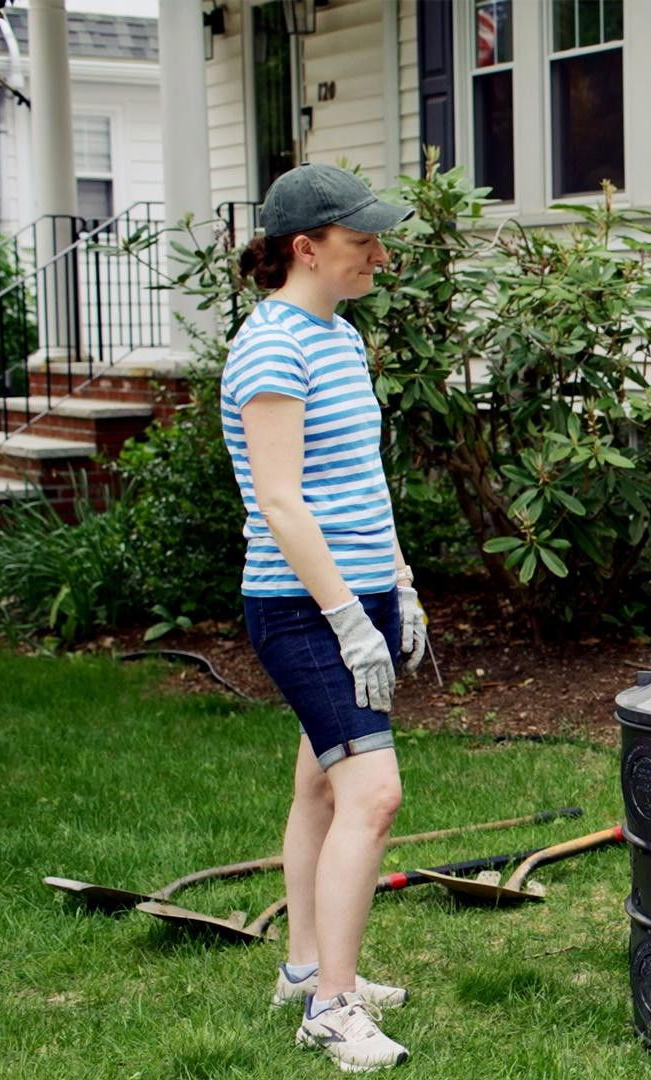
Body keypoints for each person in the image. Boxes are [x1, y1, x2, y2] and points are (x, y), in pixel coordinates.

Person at [221, 162, 428, 1072]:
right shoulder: (271, 347)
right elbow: (281, 502)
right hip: (304, 608)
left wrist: (401, 582)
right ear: (305, 249)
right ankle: (332, 1011)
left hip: (357, 593)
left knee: (319, 788)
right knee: (372, 795)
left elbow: (358, 486)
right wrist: (347, 617)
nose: (379, 254)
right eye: (361, 241)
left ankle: (306, 970)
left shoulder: (336, 336)